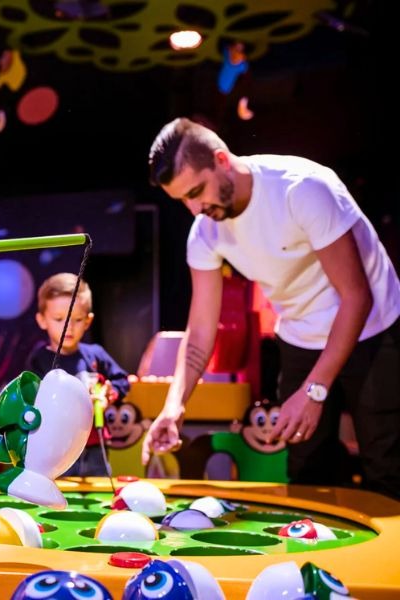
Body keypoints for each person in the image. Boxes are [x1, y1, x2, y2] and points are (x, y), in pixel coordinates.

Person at [143, 118, 400, 499]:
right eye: (183, 199)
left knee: (386, 468)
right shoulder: (205, 232)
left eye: (196, 191)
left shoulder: (302, 189)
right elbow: (200, 331)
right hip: (300, 336)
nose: (194, 209)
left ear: (222, 160)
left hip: (373, 330)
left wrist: (315, 391)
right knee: (307, 474)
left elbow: (356, 296)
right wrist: (174, 406)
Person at [27, 273, 130, 476]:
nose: (69, 327)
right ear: (42, 320)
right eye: (59, 319)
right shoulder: (39, 359)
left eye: (77, 319)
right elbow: (32, 399)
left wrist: (109, 393)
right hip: (56, 447)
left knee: (99, 487)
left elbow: (122, 381)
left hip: (94, 445)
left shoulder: (95, 354)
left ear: (88, 321)